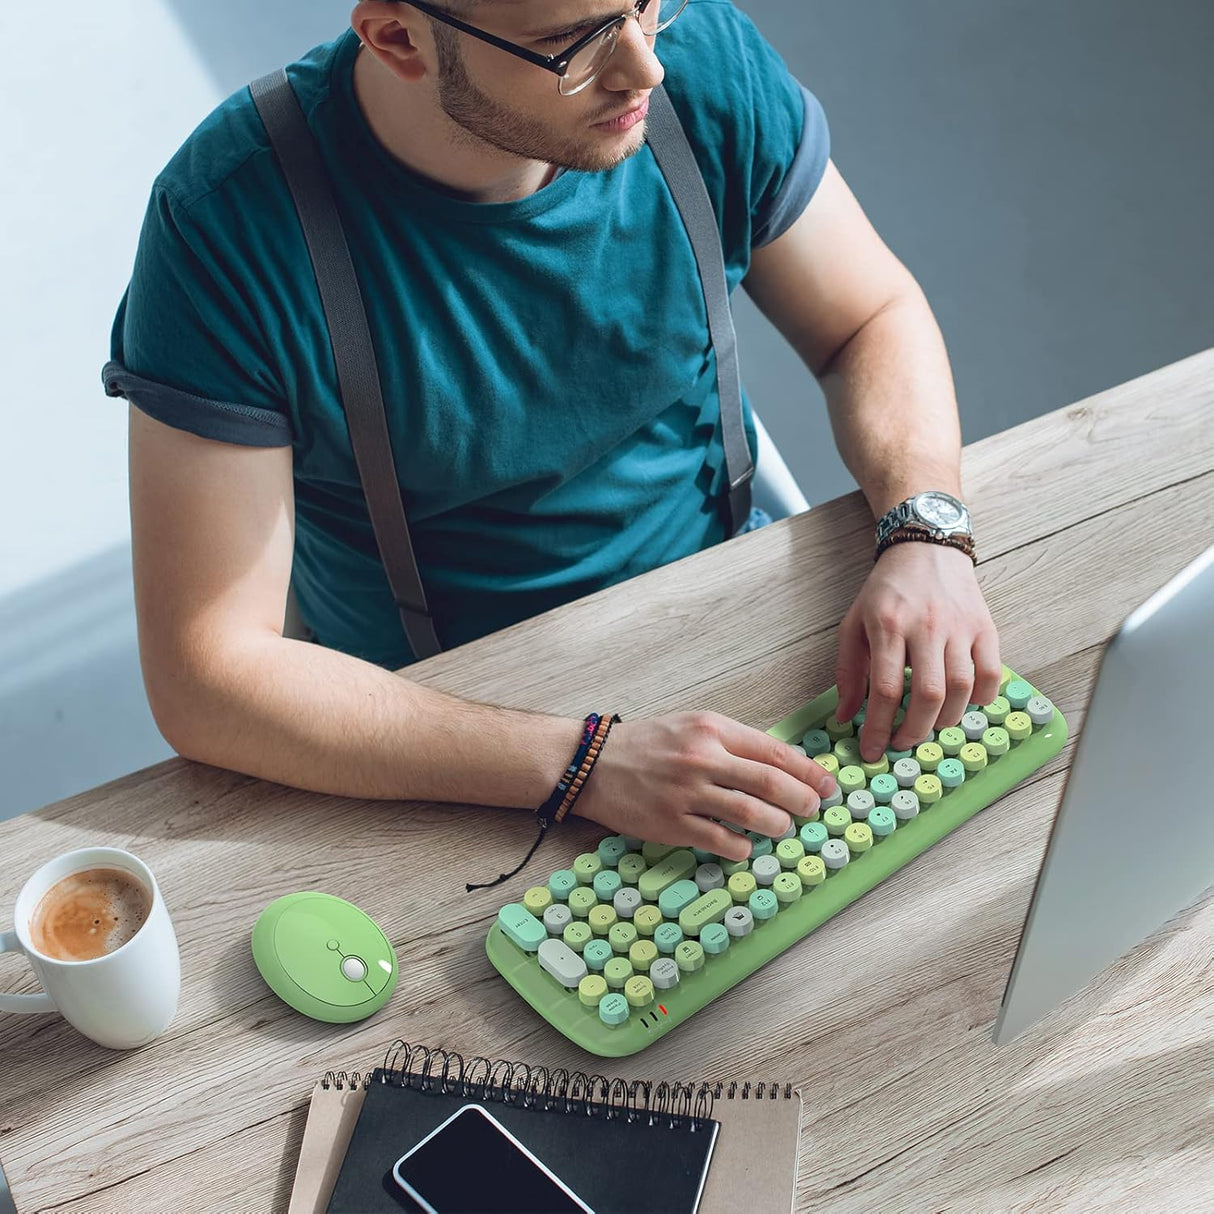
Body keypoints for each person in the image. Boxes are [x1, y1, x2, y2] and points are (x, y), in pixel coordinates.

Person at [103, 0, 1000, 864]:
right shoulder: (228, 224)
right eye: (571, 42)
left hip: (746, 623)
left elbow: (869, 318)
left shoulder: (700, 69)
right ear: (398, 39)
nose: (643, 65)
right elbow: (206, 675)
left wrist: (927, 531)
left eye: (646, 2)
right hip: (457, 733)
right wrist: (584, 765)